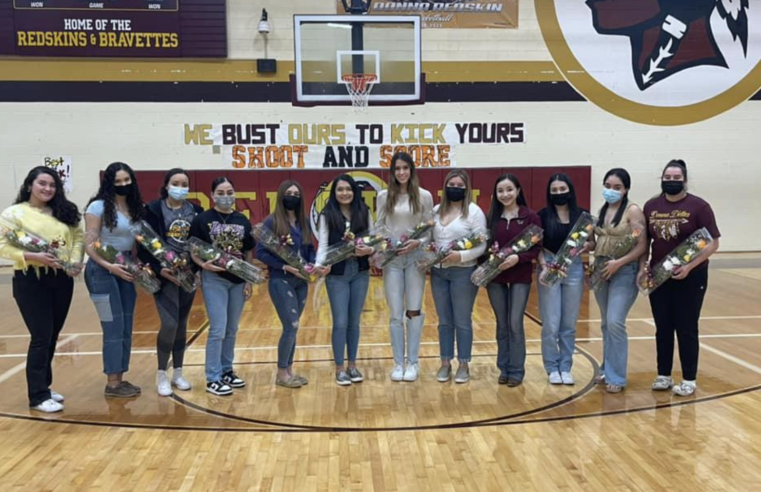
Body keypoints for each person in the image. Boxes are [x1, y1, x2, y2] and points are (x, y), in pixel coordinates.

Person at [0, 166, 84, 413]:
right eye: (42, 184)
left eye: (52, 185)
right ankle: (37, 396)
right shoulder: (14, 214)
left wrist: (75, 261)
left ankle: (44, 386)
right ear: (29, 185)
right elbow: (2, 246)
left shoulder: (65, 212)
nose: (48, 189)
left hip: (61, 280)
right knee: (40, 336)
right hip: (30, 280)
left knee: (52, 335)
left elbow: (78, 237)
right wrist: (32, 256)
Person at [640, 159, 720, 397]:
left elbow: (713, 242)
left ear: (684, 180)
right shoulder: (651, 206)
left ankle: (688, 379)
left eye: (676, 178)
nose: (671, 181)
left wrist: (689, 267)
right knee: (662, 326)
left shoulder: (699, 207)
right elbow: (646, 241)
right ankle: (663, 375)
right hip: (659, 275)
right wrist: (644, 265)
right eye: (668, 177)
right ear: (662, 179)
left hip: (691, 277)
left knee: (686, 327)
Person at [139, 168, 203, 397]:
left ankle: (178, 372)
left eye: (184, 183)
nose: (180, 187)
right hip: (165, 276)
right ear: (166, 185)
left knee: (182, 324)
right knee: (169, 324)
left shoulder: (196, 210)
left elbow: (199, 244)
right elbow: (144, 245)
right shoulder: (153, 210)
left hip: (187, 275)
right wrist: (159, 269)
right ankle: (161, 374)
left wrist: (195, 269)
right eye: (175, 183)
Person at [84, 162, 145, 398]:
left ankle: (120, 378)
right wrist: (110, 267)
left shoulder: (135, 207)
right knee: (112, 326)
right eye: (117, 181)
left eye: (126, 180)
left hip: (126, 268)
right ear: (109, 183)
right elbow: (89, 245)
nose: (123, 185)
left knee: (126, 324)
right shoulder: (97, 206)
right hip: (102, 271)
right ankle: (112, 382)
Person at [190, 177, 255, 396]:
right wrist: (201, 265)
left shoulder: (242, 220)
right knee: (218, 328)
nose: (225, 196)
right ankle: (213, 377)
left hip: (237, 280)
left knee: (231, 329)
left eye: (229, 192)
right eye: (221, 192)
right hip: (214, 279)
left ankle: (227, 370)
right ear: (212, 195)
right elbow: (193, 248)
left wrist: (248, 279)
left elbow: (248, 251)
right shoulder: (202, 219)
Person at [255, 180, 324, 389]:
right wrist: (284, 267)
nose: (292, 196)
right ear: (281, 196)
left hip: (301, 280)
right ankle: (281, 373)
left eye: (296, 193)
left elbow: (309, 248)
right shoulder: (272, 222)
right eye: (288, 193)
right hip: (281, 279)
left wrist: (312, 264)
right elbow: (260, 252)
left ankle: (289, 370)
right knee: (290, 326)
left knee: (294, 327)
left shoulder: (303, 221)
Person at [375, 152, 434, 382]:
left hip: (416, 258)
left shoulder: (424, 196)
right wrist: (386, 244)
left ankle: (413, 363)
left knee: (414, 310)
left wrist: (418, 242)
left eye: (405, 168)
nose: (401, 172)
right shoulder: (383, 196)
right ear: (392, 172)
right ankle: (398, 363)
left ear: (411, 170)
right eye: (397, 168)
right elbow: (378, 228)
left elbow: (429, 230)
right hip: (393, 260)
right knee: (395, 314)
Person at [589, 168, 646, 393]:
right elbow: (598, 242)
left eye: (617, 187)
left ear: (626, 189)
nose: (611, 191)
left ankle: (618, 377)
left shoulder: (633, 212)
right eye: (608, 186)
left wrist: (619, 263)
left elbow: (642, 245)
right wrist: (587, 245)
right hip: (601, 268)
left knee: (615, 321)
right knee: (605, 323)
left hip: (624, 270)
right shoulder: (602, 210)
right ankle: (607, 368)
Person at [316, 174, 375, 386]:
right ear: (334, 193)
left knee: (354, 322)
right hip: (337, 274)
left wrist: (369, 250)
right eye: (340, 189)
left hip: (360, 272)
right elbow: (323, 244)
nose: (344, 193)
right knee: (340, 322)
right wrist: (319, 265)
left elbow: (374, 239)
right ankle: (340, 368)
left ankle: (352, 365)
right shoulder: (327, 214)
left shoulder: (364, 211)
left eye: (348, 189)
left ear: (354, 191)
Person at [484, 174, 541, 387]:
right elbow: (484, 248)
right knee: (502, 324)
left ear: (518, 191)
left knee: (515, 322)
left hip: (520, 276)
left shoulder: (531, 217)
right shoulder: (491, 218)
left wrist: (518, 258)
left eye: (509, 190)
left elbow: (536, 249)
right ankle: (504, 367)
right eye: (500, 191)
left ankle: (517, 370)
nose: (505, 194)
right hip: (495, 278)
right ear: (495, 194)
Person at [431, 170, 487, 384]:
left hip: (464, 272)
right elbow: (430, 239)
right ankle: (445, 363)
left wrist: (461, 255)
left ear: (466, 188)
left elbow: (481, 245)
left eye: (459, 185)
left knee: (462, 320)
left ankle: (463, 364)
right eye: (451, 184)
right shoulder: (436, 210)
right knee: (444, 321)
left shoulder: (474, 212)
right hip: (438, 272)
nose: (455, 187)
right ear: (445, 187)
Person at [537, 174, 591, 386]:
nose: (559, 194)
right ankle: (552, 367)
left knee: (569, 323)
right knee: (550, 323)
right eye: (555, 190)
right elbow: (537, 247)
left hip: (574, 268)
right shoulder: (542, 216)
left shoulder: (582, 216)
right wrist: (543, 267)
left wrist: (588, 246)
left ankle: (566, 367)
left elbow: (592, 243)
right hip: (549, 266)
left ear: (570, 190)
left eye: (562, 189)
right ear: (550, 194)